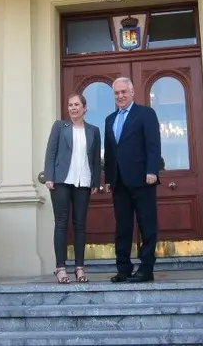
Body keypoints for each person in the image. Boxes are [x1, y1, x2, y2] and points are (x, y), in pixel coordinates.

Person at [103, 77, 161, 283]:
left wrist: (152, 170)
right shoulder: (109, 119)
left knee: (147, 225)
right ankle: (124, 268)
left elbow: (153, 144)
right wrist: (109, 177)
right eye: (116, 93)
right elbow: (110, 152)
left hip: (143, 179)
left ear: (132, 92)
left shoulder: (146, 114)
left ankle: (146, 269)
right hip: (119, 182)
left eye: (123, 92)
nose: (120, 96)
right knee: (123, 227)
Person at [43, 93, 101, 284]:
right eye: (70, 105)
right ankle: (60, 268)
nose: (73, 108)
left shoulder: (94, 130)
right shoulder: (60, 127)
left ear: (85, 108)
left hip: (83, 181)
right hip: (61, 180)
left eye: (77, 104)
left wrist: (95, 182)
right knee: (61, 223)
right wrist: (49, 177)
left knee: (80, 225)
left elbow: (95, 160)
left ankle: (79, 267)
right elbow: (50, 153)